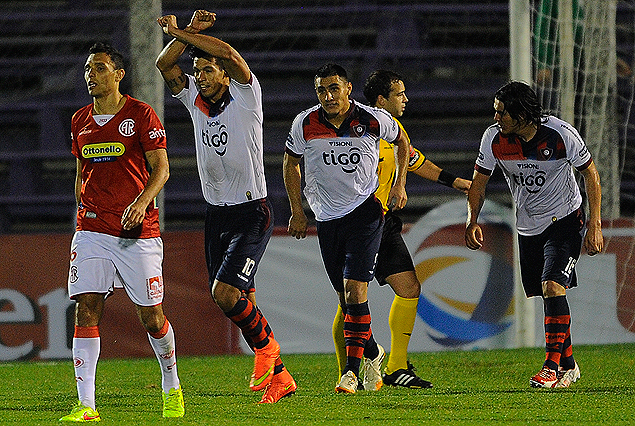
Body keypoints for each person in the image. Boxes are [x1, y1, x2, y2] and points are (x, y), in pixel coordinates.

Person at [155, 10, 296, 404]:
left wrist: (185, 32)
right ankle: (281, 377)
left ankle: (268, 351)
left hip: (252, 212)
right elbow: (164, 63)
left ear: (223, 74)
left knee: (225, 293)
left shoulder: (247, 96)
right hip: (217, 214)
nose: (199, 76)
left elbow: (232, 54)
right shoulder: (195, 102)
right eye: (197, 70)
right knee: (241, 297)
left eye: (206, 69)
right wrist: (191, 33)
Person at [60, 42, 183, 422]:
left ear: (118, 74)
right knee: (86, 309)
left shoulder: (140, 114)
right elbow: (82, 172)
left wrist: (143, 202)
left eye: (98, 68)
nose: (90, 75)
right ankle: (86, 406)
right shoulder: (79, 120)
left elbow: (161, 169)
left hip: (137, 232)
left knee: (152, 317)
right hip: (92, 228)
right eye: (87, 69)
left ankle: (171, 384)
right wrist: (80, 209)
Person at [329, 70, 471, 389]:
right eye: (399, 94)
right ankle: (351, 369)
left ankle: (395, 366)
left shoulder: (393, 129)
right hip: (360, 222)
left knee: (408, 288)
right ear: (382, 99)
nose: (405, 99)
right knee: (350, 299)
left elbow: (414, 159)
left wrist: (455, 181)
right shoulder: (361, 127)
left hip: (384, 222)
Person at [465, 81, 603, 388]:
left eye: (502, 112)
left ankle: (550, 367)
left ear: (522, 114)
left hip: (566, 219)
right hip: (528, 225)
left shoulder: (560, 134)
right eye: (495, 111)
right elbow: (478, 182)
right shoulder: (493, 139)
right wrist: (472, 219)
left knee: (553, 285)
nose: (496, 117)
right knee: (548, 293)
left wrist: (594, 224)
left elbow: (590, 174)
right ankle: (568, 365)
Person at [283, 63, 410, 394]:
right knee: (346, 298)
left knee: (355, 290)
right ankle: (372, 351)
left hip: (365, 213)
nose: (328, 96)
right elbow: (290, 162)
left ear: (348, 88)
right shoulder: (305, 123)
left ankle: (350, 374)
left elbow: (402, 141)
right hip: (326, 219)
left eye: (333, 89)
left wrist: (399, 186)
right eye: (321, 91)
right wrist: (298, 209)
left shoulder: (370, 119)